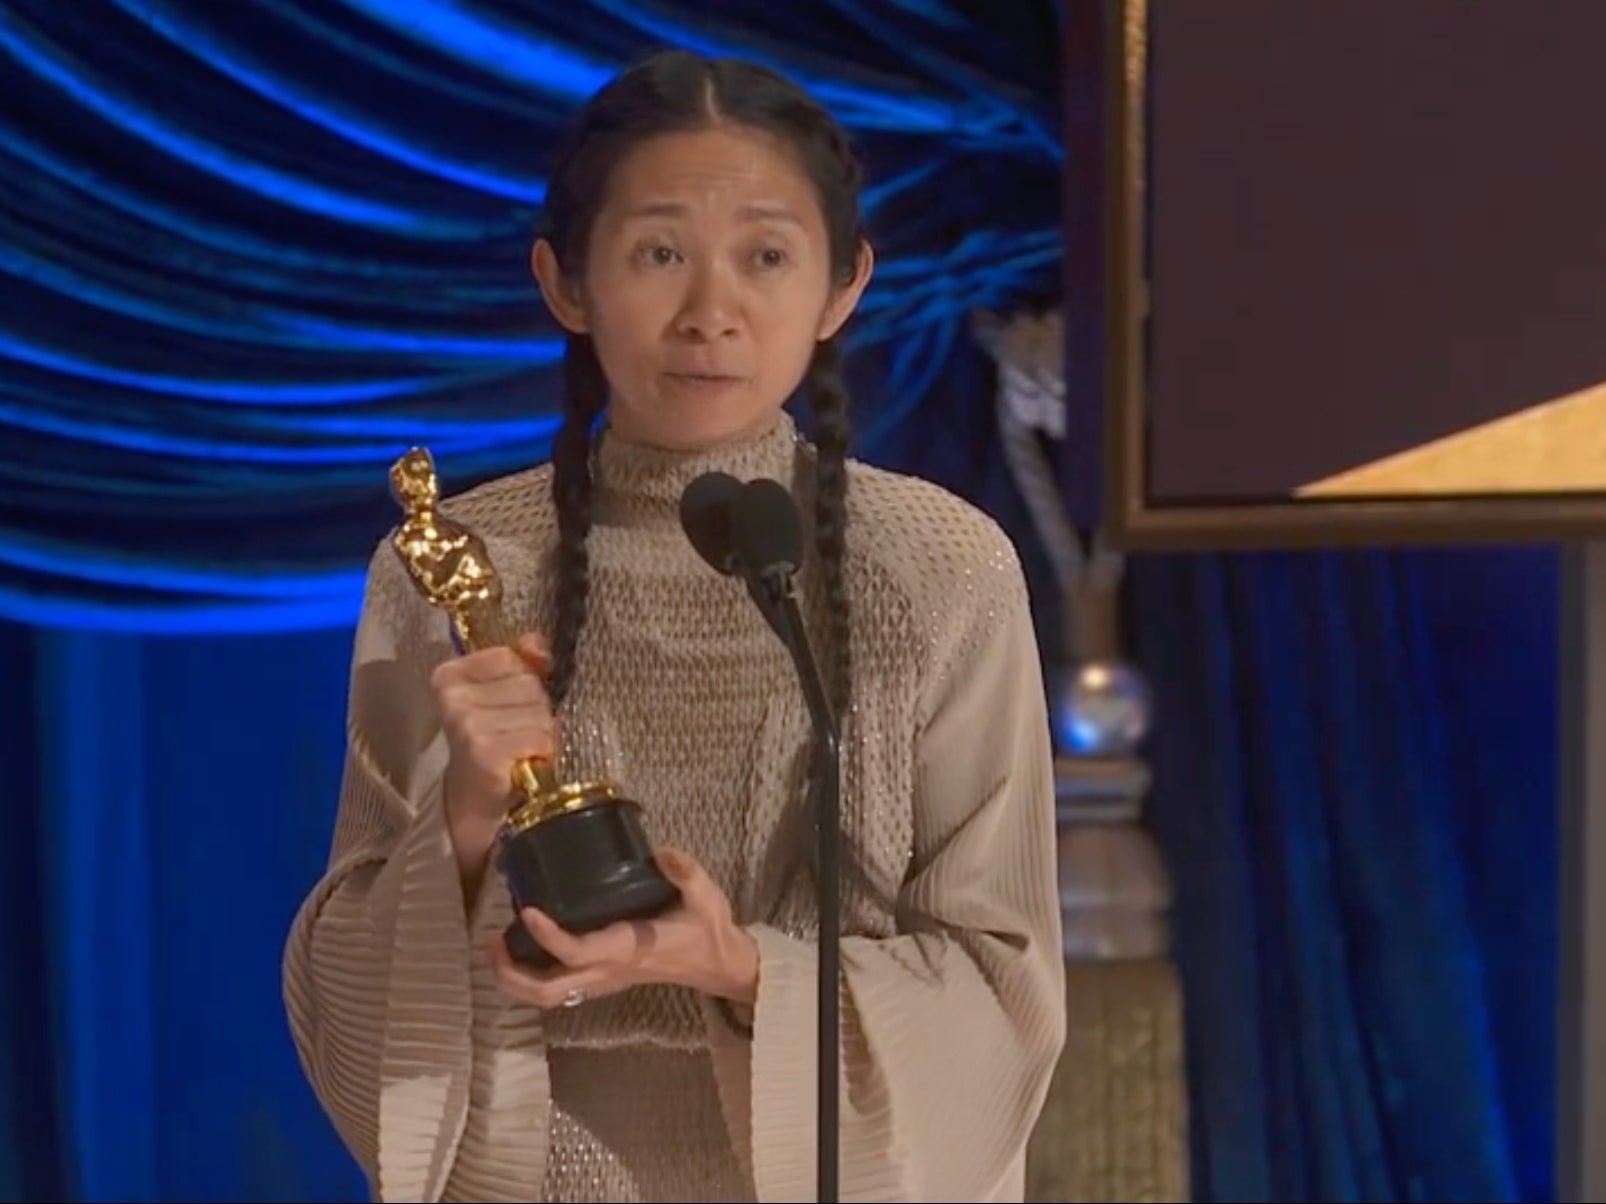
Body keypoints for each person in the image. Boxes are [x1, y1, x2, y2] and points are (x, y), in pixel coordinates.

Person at [283, 46, 1067, 1204]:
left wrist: (736, 967)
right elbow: (346, 983)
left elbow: (1001, 989)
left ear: (843, 287)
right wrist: (458, 825)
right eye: (658, 254)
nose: (712, 313)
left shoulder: (940, 569)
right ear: (565, 282)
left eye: (765, 256)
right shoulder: (449, 567)